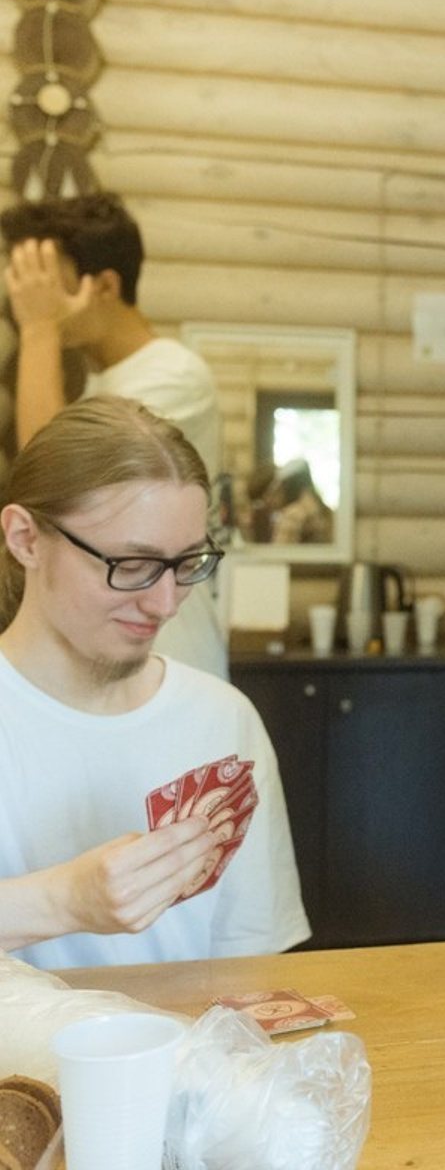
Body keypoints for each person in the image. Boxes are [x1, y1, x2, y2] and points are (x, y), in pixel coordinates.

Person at [0, 395, 310, 969]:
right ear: (25, 538)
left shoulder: (222, 720)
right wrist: (66, 901)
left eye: (187, 563)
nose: (165, 604)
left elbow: (252, 963)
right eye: (132, 565)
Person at [2, 192, 228, 678]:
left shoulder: (174, 374)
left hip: (169, 656)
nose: (30, 301)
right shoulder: (101, 383)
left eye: (49, 284)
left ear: (105, 285)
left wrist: (39, 328)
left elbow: (55, 479)